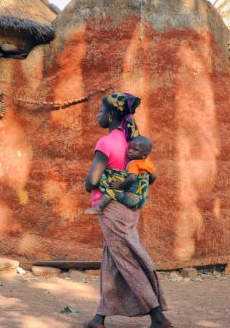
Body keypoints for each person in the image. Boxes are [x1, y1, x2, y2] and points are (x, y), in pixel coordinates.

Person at [84, 93, 171, 328]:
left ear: (112, 115)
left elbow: (93, 180)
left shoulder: (106, 143)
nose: (98, 115)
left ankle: (158, 316)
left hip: (111, 209)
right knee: (112, 260)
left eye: (101, 111)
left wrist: (88, 185)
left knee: (126, 260)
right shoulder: (133, 142)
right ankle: (99, 318)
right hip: (129, 208)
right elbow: (149, 175)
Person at [84, 135, 157, 215]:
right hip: (143, 199)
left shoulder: (133, 164)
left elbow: (132, 178)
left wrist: (120, 186)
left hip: (132, 199)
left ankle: (99, 209)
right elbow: (154, 176)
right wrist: (146, 183)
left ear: (144, 155)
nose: (129, 151)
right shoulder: (148, 162)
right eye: (129, 147)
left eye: (135, 149)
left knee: (111, 192)